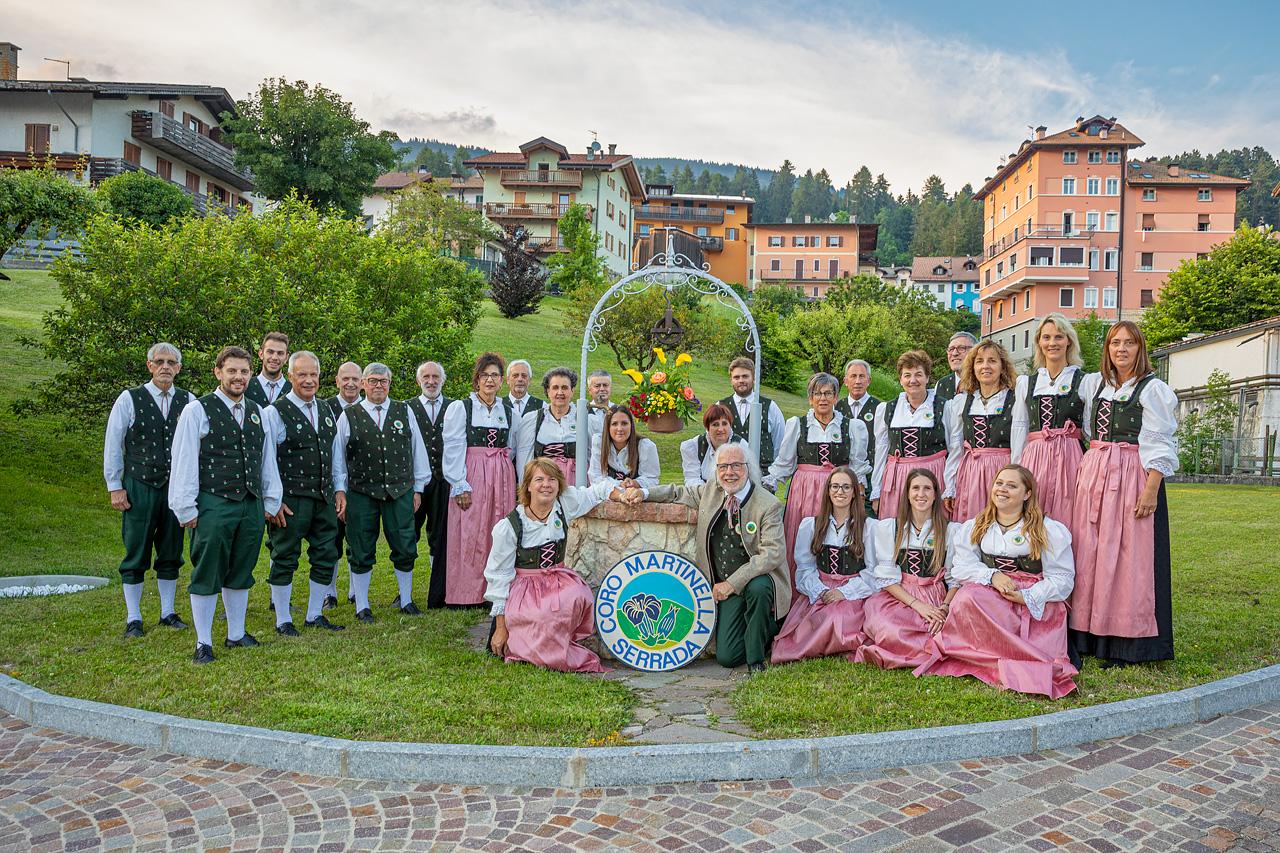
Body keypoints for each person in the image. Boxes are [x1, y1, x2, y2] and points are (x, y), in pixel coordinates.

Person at [915, 465, 1078, 698]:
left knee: (1050, 609)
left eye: (1011, 485)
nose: (1002, 489)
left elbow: (1062, 578)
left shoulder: (1046, 529)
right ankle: (993, 657)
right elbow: (962, 567)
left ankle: (1017, 658)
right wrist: (993, 576)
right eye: (999, 483)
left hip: (1032, 600)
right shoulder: (978, 525)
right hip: (995, 595)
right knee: (967, 597)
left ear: (1027, 494)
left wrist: (1028, 596)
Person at [1070, 321, 1179, 666]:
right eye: (1115, 343)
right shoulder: (1095, 385)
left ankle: (1127, 641)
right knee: (1092, 552)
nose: (1121, 349)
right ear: (1107, 349)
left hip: (1132, 475)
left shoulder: (1152, 389)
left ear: (1140, 349)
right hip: (1095, 472)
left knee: (1129, 556)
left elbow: (1161, 442)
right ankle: (1089, 636)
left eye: (1129, 343)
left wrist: (1151, 490)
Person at [627, 442, 788, 673]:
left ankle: (756, 660)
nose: (729, 472)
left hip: (754, 579)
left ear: (748, 468)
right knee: (728, 656)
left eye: (736, 465)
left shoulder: (768, 504)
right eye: (723, 467)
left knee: (759, 588)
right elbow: (677, 492)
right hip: (725, 586)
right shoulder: (712, 490)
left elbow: (772, 554)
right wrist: (644, 493)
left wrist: (732, 583)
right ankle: (764, 628)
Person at [169, 345, 282, 664]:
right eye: (231, 370)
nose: (238, 377)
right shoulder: (197, 410)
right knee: (208, 570)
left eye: (244, 371)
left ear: (250, 374)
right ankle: (203, 642)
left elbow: (266, 459)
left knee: (242, 568)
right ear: (218, 372)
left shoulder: (259, 412)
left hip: (250, 503)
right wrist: (184, 506)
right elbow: (184, 458)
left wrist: (271, 498)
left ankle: (236, 633)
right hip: (214, 502)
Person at [486, 459, 623, 672]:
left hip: (557, 579)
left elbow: (597, 491)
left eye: (552, 480)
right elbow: (499, 575)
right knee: (541, 615)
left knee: (578, 594)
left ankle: (556, 645)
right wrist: (501, 627)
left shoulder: (564, 505)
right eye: (539, 480)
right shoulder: (510, 526)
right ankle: (534, 650)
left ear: (559, 485)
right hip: (525, 588)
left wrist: (621, 495)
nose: (546, 485)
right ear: (528, 486)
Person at [103, 342, 194, 637]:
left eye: (171, 362)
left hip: (174, 487)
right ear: (150, 365)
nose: (165, 367)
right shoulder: (129, 399)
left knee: (171, 550)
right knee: (136, 550)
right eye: (160, 361)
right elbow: (114, 443)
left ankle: (167, 612)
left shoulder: (189, 401)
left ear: (178, 368)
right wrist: (115, 486)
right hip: (139, 485)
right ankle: (134, 617)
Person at [332, 363, 432, 621]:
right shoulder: (349, 415)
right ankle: (362, 605)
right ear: (363, 384)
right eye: (373, 380)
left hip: (400, 490)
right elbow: (338, 458)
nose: (378, 385)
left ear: (389, 384)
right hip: (361, 491)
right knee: (360, 545)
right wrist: (340, 490)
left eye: (383, 381)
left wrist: (418, 489)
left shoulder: (404, 411)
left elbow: (417, 450)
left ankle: (406, 600)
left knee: (405, 544)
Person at [263, 351, 345, 635]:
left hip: (323, 496)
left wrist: (339, 489)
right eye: (302, 375)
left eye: (313, 374)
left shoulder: (327, 409)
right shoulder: (275, 411)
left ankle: (314, 614)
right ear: (290, 376)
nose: (309, 380)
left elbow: (335, 453)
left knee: (326, 553)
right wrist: (273, 500)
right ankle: (283, 619)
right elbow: (266, 459)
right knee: (285, 556)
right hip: (291, 499)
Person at [766, 372, 870, 582]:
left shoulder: (851, 426)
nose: (823, 398)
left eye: (828, 393)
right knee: (803, 540)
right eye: (817, 393)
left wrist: (859, 495)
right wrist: (768, 484)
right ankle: (799, 590)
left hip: (839, 491)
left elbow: (857, 468)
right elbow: (785, 463)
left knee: (833, 539)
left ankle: (833, 584)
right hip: (804, 491)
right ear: (810, 398)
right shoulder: (797, 424)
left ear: (836, 397)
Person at [770, 467, 877, 664]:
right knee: (816, 619)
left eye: (846, 487)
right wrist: (820, 590)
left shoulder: (867, 526)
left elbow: (872, 572)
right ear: (827, 491)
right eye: (835, 486)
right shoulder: (812, 524)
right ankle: (828, 644)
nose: (840, 492)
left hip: (853, 592)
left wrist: (844, 592)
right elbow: (805, 567)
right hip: (820, 588)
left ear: (855, 492)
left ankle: (834, 643)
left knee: (838, 616)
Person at [854, 469, 955, 670]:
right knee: (889, 629)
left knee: (935, 631)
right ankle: (911, 646)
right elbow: (886, 579)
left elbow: (954, 580)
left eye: (927, 488)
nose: (921, 494)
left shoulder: (949, 530)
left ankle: (920, 645)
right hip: (899, 596)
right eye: (915, 488)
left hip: (934, 595)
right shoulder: (891, 527)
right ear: (907, 494)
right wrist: (918, 606)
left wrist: (944, 608)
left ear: (935, 494)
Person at [442, 353, 518, 606]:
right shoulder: (462, 408)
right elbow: (453, 446)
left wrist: (499, 467)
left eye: (495, 375)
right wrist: (459, 483)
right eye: (485, 375)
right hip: (472, 475)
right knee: (471, 530)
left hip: (501, 476)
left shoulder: (508, 411)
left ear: (501, 381)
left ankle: (495, 590)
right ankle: (467, 592)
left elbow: (512, 446)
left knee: (499, 529)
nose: (489, 380)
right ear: (477, 379)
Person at [942, 341, 1028, 522]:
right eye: (979, 361)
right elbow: (956, 447)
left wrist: (1015, 481)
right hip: (970, 473)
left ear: (1002, 366)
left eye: (992, 361)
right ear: (972, 367)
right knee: (970, 524)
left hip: (1001, 471)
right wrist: (950, 486)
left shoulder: (1014, 399)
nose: (985, 366)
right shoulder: (962, 401)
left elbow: (1019, 445)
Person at [1017, 314, 1087, 523]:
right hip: (1034, 458)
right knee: (1032, 513)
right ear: (1039, 342)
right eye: (1046, 337)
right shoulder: (1026, 383)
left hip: (1071, 457)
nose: (1052, 343)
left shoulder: (1085, 381)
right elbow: (1019, 428)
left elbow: (1090, 431)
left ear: (1069, 341)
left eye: (1059, 337)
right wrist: (1016, 468)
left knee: (1070, 514)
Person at [871, 350, 955, 521]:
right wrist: (876, 489)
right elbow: (881, 451)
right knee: (898, 526)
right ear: (900, 379)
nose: (913, 380)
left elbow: (953, 449)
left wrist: (951, 487)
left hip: (933, 475)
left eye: (918, 374)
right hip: (898, 478)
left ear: (927, 377)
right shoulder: (887, 409)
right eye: (907, 375)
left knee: (932, 525)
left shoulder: (944, 407)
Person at [407, 361, 452, 609]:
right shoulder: (406, 408)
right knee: (408, 534)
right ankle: (405, 591)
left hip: (443, 481)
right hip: (414, 482)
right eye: (426, 377)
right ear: (418, 380)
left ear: (442, 380)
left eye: (436, 377)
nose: (431, 381)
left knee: (440, 535)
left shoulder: (454, 407)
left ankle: (438, 589)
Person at [322, 360, 362, 609]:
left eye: (355, 379)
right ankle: (329, 592)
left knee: (357, 537)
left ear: (362, 383)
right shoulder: (324, 408)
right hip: (330, 483)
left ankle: (355, 590)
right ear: (337, 381)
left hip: (360, 484)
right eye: (345, 378)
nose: (350, 383)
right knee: (331, 538)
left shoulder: (368, 409)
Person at [719, 356, 786, 471]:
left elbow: (780, 443)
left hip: (763, 474)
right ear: (731, 380)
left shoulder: (770, 407)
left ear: (754, 378)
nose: (741, 380)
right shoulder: (720, 407)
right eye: (736, 377)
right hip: (729, 474)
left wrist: (771, 471)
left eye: (745, 376)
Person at [516, 367, 579, 484]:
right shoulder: (533, 419)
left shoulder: (583, 420)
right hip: (544, 485)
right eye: (555, 388)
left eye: (565, 388)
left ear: (572, 391)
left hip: (574, 485)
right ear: (548, 391)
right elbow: (524, 459)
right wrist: (526, 487)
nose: (560, 392)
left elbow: (591, 458)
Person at [836, 358, 882, 514]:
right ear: (845, 381)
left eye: (862, 376)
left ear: (869, 380)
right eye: (853, 376)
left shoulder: (880, 408)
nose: (857, 381)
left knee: (868, 519)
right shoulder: (837, 408)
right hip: (841, 476)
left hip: (870, 475)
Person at [588, 405, 660, 489]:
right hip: (609, 494)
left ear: (631, 425)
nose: (619, 429)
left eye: (624, 423)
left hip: (635, 495)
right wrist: (619, 485)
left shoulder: (645, 446)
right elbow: (595, 477)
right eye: (614, 424)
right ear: (608, 427)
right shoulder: (599, 443)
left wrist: (635, 483)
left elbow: (652, 479)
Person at [680, 403, 750, 486]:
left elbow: (745, 479)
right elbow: (692, 479)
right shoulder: (694, 446)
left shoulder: (741, 445)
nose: (720, 429)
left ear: (730, 425)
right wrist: (710, 492)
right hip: (702, 492)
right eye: (715, 424)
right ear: (707, 428)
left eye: (724, 423)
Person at [243, 331, 291, 406]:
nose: (274, 357)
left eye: (280, 353)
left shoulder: (294, 391)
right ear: (261, 354)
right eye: (270, 352)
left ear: (286, 358)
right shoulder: (245, 386)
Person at [933, 332, 976, 402]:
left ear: (975, 352)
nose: (954, 353)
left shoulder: (984, 383)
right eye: (951, 349)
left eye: (961, 348)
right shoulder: (941, 384)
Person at [585, 369, 614, 435]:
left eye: (605, 385)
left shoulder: (618, 410)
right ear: (589, 390)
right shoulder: (584, 413)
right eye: (597, 386)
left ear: (611, 388)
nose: (602, 389)